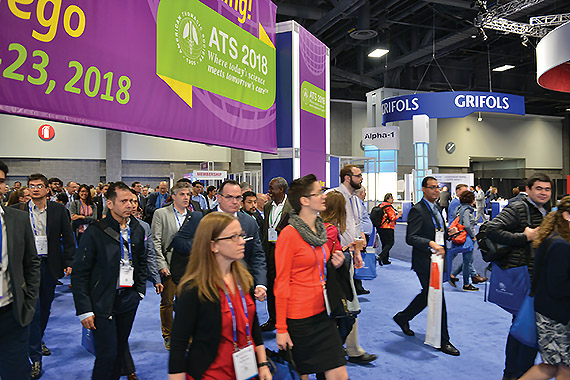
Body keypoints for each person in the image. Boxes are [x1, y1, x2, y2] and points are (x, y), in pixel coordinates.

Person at [168, 212, 272, 380]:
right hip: (212, 373)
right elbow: (179, 342)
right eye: (233, 237)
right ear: (213, 245)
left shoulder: (245, 280)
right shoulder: (194, 289)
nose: (241, 241)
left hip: (248, 370)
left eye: (241, 235)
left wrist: (262, 363)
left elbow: (253, 327)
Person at [71, 181, 149, 380]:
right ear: (110, 203)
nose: (130, 205)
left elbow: (141, 262)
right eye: (124, 201)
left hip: (128, 299)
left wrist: (139, 292)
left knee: (120, 350)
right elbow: (80, 273)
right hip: (102, 301)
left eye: (132, 200)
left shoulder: (138, 229)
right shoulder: (96, 232)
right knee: (107, 355)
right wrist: (84, 309)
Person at [274, 174, 348, 380]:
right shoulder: (289, 235)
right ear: (304, 201)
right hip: (299, 319)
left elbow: (316, 267)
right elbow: (281, 284)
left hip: (323, 314)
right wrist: (281, 328)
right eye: (319, 193)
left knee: (339, 373)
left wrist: (335, 263)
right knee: (301, 375)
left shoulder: (320, 230)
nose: (324, 196)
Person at [486, 173, 552, 380]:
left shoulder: (545, 210)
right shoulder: (518, 207)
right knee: (525, 329)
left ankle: (513, 373)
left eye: (547, 189)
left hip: (537, 278)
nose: (543, 193)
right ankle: (517, 373)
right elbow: (491, 229)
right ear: (529, 189)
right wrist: (525, 237)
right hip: (522, 277)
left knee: (521, 328)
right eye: (539, 188)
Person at [393, 176, 460, 356]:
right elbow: (411, 237)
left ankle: (402, 317)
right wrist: (431, 243)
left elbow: (438, 231)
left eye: (438, 187)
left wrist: (448, 233)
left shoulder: (437, 208)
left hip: (437, 260)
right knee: (439, 299)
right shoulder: (418, 210)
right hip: (425, 262)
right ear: (423, 189)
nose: (436, 191)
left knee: (428, 295)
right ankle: (443, 341)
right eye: (432, 188)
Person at [519, 196, 570, 380]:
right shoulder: (561, 245)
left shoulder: (553, 239)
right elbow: (557, 286)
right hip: (556, 315)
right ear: (566, 216)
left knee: (554, 366)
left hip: (550, 312)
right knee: (558, 367)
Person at [330, 165, 376, 364]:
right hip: (335, 258)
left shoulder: (356, 200)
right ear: (348, 177)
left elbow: (356, 228)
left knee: (349, 304)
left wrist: (357, 250)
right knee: (346, 304)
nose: (362, 180)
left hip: (349, 255)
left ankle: (350, 347)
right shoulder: (334, 196)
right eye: (359, 176)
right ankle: (348, 348)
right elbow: (330, 228)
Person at [0, 161, 41, 380]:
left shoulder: (18, 219)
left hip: (12, 312)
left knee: (16, 373)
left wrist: (29, 301)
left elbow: (31, 263)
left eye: (0, 181)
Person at [151, 181, 191, 350]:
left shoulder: (193, 215)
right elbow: (156, 241)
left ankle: (185, 334)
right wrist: (161, 264)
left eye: (188, 194)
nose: (186, 197)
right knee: (167, 302)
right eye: (182, 194)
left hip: (189, 266)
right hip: (168, 265)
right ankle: (168, 335)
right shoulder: (161, 214)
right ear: (173, 196)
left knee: (186, 302)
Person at [212, 180, 267, 301]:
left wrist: (261, 284)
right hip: (213, 287)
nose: (234, 202)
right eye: (229, 197)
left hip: (243, 286)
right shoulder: (205, 220)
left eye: (238, 197)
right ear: (219, 198)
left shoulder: (249, 222)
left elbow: (257, 255)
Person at [261, 176, 291, 331]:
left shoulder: (293, 207)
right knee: (271, 287)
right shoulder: (267, 207)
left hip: (286, 253)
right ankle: (272, 319)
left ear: (281, 190)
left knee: (285, 288)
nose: (269, 191)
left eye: (271, 188)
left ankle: (286, 321)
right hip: (270, 252)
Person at [448, 191, 486, 291]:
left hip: (458, 236)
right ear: (471, 200)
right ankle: (466, 284)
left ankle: (452, 275)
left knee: (464, 260)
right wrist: (473, 236)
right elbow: (467, 225)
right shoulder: (466, 211)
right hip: (466, 237)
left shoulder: (458, 208)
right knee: (467, 261)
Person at [373, 193, 402, 266]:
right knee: (390, 243)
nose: (393, 199)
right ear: (388, 199)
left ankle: (385, 260)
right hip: (388, 227)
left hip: (380, 227)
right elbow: (392, 218)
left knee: (384, 243)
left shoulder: (380, 205)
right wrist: (399, 215)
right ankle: (381, 256)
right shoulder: (389, 207)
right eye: (391, 198)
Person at [354, 187, 372, 294]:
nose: (365, 194)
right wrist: (362, 237)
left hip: (363, 235)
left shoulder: (360, 203)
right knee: (358, 260)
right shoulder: (357, 204)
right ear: (361, 193)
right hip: (361, 236)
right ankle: (358, 287)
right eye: (365, 192)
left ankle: (358, 286)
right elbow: (358, 221)